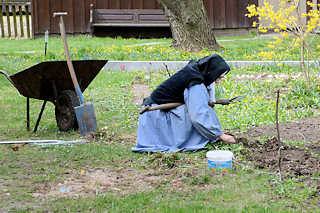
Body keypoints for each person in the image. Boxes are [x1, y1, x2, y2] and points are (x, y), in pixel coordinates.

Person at [132, 54, 235, 153]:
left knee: (201, 106)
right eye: (218, 77)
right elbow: (198, 115)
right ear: (211, 72)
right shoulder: (195, 82)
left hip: (158, 111)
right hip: (156, 115)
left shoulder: (196, 70)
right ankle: (194, 138)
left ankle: (209, 134)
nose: (218, 81)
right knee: (198, 110)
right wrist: (220, 135)